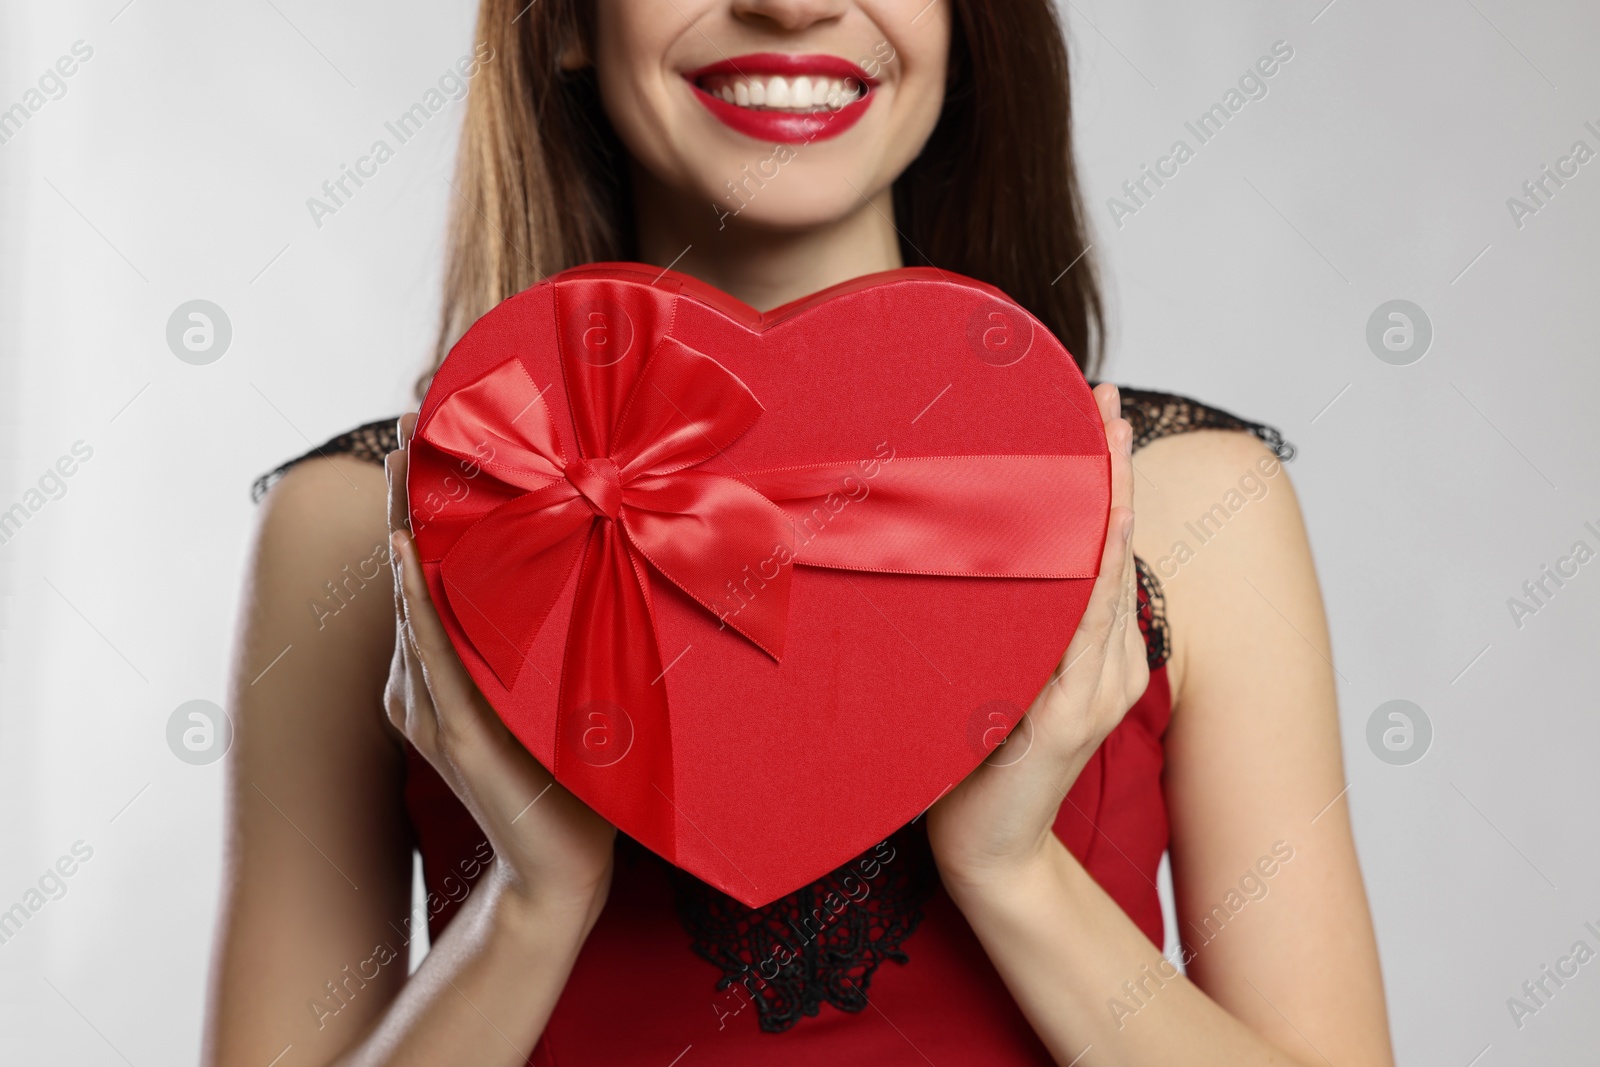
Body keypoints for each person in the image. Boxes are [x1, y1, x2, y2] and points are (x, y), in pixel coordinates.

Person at [203, 2, 1394, 1064]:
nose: (790, 4)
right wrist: (531, 900)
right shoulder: (359, 529)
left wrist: (1015, 874)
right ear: (565, 19)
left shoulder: (1196, 505)